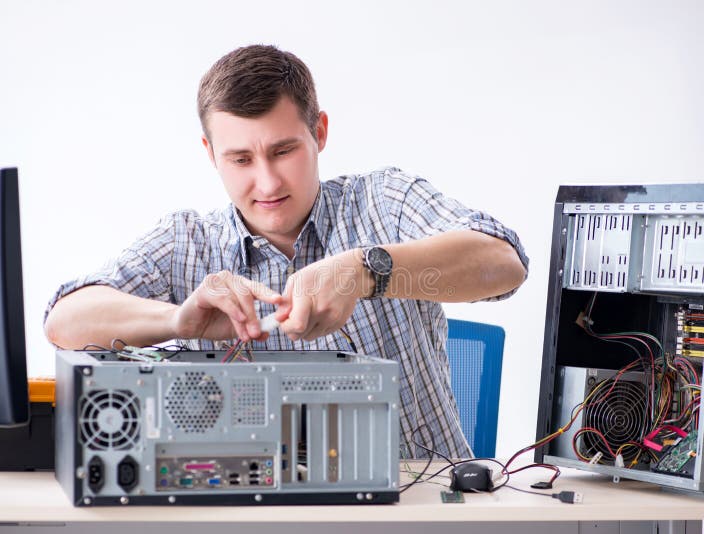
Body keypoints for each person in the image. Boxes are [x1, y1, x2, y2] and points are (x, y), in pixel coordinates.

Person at [44, 44, 528, 459]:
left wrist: (364, 271)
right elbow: (65, 321)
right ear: (210, 154)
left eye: (283, 151)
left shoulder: (383, 201)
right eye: (240, 159)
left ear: (319, 132)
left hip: (423, 508)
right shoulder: (186, 242)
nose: (268, 182)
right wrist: (178, 321)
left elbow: (504, 264)